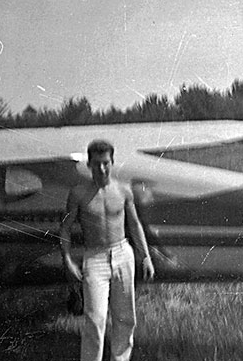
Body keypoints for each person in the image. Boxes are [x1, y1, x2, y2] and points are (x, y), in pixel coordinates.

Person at [60, 139, 155, 361]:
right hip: (95, 257)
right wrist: (67, 260)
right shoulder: (78, 193)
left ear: (112, 162)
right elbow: (64, 228)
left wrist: (146, 257)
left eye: (105, 163)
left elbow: (134, 225)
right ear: (89, 165)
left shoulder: (123, 190)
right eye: (96, 164)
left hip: (123, 253)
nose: (101, 169)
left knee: (125, 317)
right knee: (95, 318)